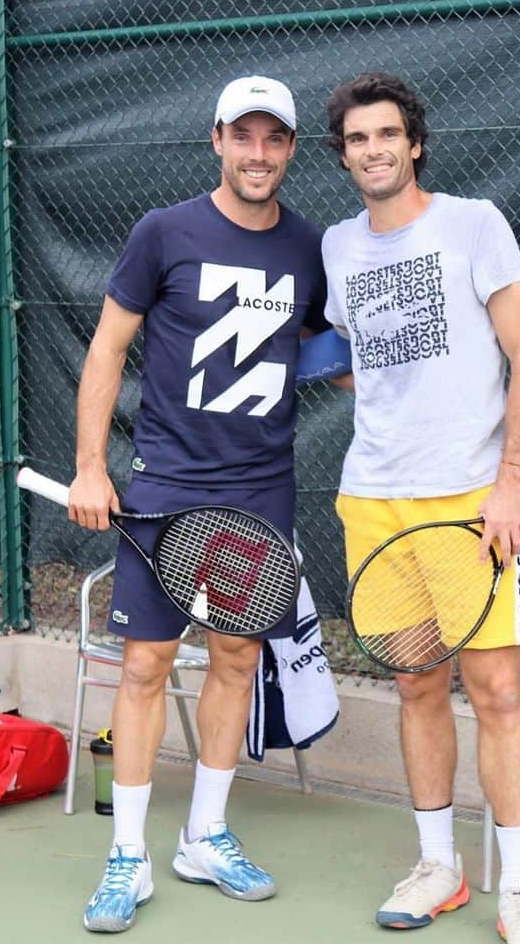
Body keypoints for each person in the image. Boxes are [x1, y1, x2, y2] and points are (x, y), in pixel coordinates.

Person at [70, 75, 328, 934]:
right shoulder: (163, 232)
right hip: (165, 485)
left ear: (291, 149)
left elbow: (330, 346)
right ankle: (129, 856)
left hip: (260, 488)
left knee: (235, 660)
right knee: (144, 667)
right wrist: (90, 468)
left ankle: (206, 835)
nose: (259, 154)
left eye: (275, 139)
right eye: (243, 137)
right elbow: (108, 349)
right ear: (216, 140)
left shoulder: (309, 248)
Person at [322, 71, 520, 943]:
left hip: (470, 499)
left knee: (496, 690)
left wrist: (508, 483)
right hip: (374, 498)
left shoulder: (474, 223)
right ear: (343, 155)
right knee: (417, 682)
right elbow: (362, 357)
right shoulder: (338, 249)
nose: (373, 150)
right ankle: (439, 867)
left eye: (387, 135)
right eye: (356, 140)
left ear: (414, 143)